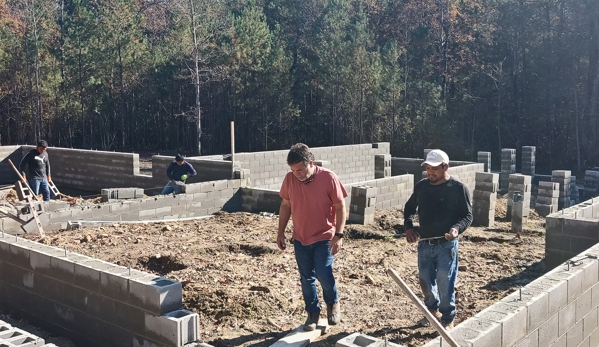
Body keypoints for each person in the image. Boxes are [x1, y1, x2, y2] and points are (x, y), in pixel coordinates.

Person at [277, 143, 347, 331]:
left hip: (324, 236)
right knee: (306, 278)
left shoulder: (328, 178)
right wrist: (280, 231)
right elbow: (285, 206)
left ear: (311, 163)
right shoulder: (290, 179)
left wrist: (339, 235)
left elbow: (341, 207)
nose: (297, 173)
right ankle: (312, 313)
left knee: (324, 273)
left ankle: (333, 303)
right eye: (293, 170)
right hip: (300, 237)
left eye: (300, 169)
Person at [403, 149, 472, 329]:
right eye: (427, 168)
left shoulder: (457, 188)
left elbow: (467, 216)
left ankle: (448, 318)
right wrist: (409, 227)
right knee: (425, 280)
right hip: (425, 243)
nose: (430, 172)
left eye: (434, 168)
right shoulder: (422, 186)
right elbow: (409, 208)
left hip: (446, 245)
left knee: (445, 281)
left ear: (445, 167)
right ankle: (431, 312)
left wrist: (457, 229)